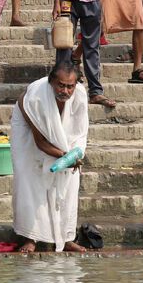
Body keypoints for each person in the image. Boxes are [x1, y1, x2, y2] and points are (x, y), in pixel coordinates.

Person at [10, 63, 89, 254]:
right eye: (60, 85)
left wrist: (74, 154)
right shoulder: (36, 97)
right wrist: (66, 156)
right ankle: (31, 237)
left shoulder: (80, 95)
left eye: (70, 86)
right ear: (51, 82)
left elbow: (80, 133)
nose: (65, 91)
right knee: (30, 180)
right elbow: (41, 142)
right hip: (28, 134)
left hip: (64, 144)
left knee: (69, 183)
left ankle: (67, 237)